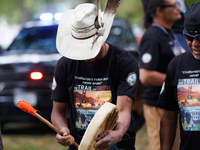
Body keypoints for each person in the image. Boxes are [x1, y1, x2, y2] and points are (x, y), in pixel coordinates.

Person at [51, 2, 139, 150]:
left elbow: (123, 110)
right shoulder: (65, 64)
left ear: (101, 36)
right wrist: (62, 129)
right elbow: (57, 111)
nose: (85, 53)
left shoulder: (124, 62)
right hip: (79, 144)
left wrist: (116, 134)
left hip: (117, 145)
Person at [138, 0, 183, 150]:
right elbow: (145, 75)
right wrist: (179, 81)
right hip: (157, 105)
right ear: (160, 11)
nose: (178, 8)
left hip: (172, 104)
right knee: (160, 146)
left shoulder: (168, 32)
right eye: (173, 5)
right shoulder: (152, 36)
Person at [158, 2, 200, 150]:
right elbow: (169, 117)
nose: (194, 43)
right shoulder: (177, 65)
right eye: (189, 36)